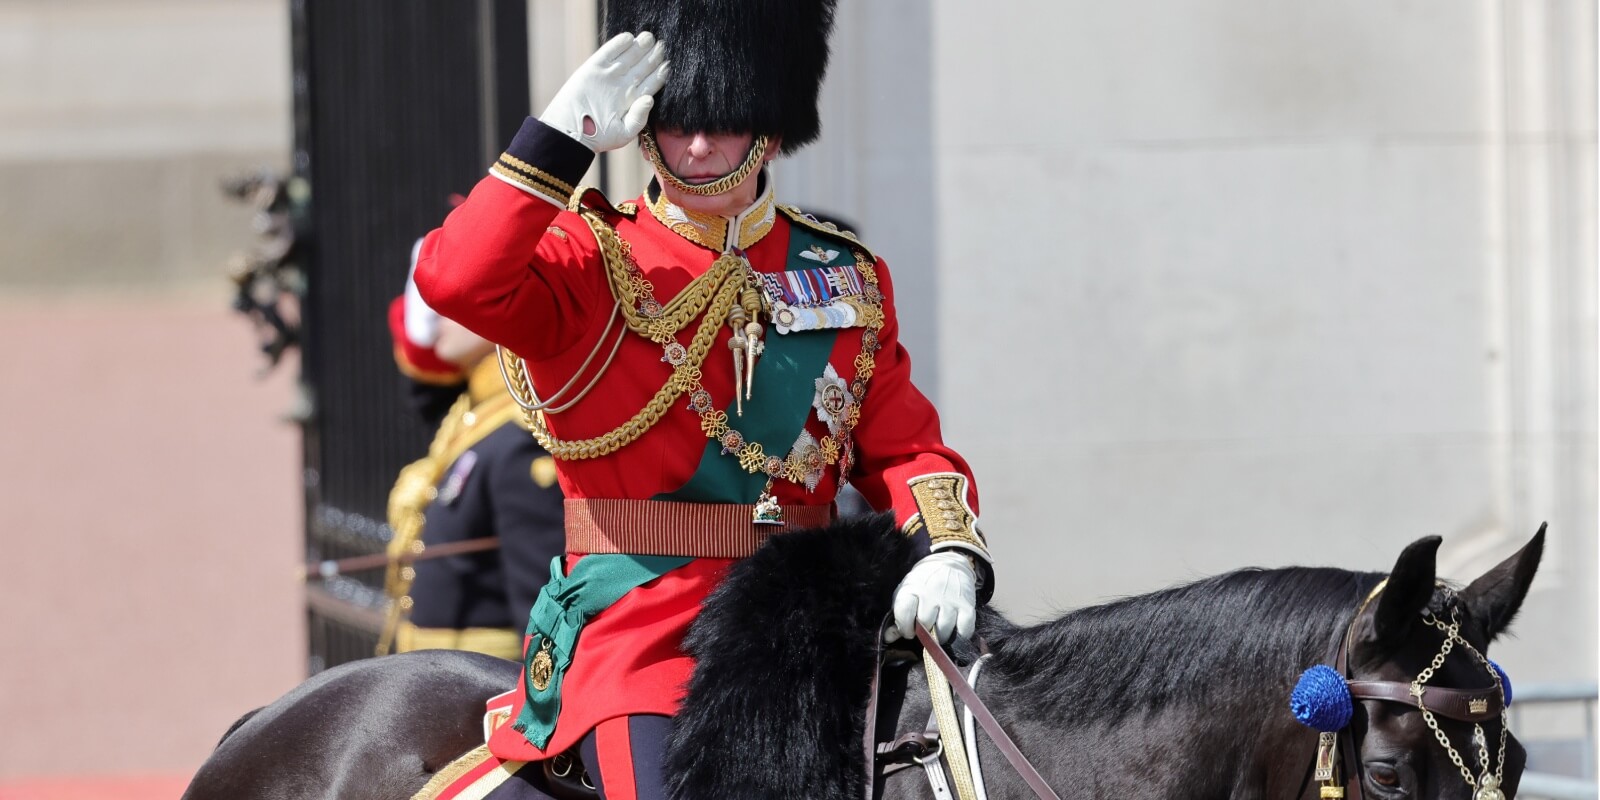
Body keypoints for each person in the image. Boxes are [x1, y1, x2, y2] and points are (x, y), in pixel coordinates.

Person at [414, 1, 994, 796]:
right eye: (677, 120)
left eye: (721, 122)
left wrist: (948, 548)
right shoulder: (591, 257)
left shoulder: (842, 276)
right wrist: (557, 140)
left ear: (773, 128)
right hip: (645, 638)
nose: (694, 145)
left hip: (810, 630)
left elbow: (904, 447)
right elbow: (456, 278)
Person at [381, 249, 566, 660]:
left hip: (482, 698)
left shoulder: (521, 434)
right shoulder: (470, 417)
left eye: (454, 294)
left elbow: (541, 616)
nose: (434, 312)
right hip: (439, 689)